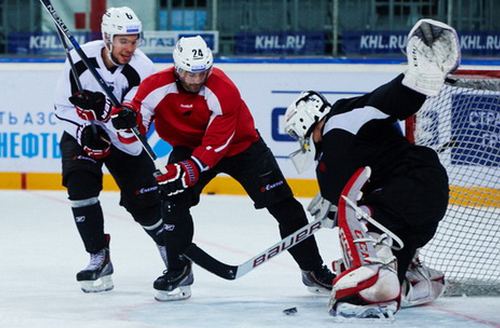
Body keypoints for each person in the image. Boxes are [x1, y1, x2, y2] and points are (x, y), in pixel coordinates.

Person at [111, 35, 335, 301]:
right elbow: (135, 126)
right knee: (172, 200)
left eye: (202, 73)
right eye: (188, 73)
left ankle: (313, 269)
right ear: (176, 67)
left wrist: (188, 170)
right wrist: (127, 119)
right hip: (189, 146)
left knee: (286, 206)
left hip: (242, 147)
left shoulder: (223, 88)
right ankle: (178, 269)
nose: (195, 80)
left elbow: (218, 142)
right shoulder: (155, 86)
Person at [284, 19, 460, 319]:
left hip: (409, 189)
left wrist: (415, 81)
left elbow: (381, 103)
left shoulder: (339, 123)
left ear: (304, 122)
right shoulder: (342, 135)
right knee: (376, 230)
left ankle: (371, 289)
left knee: (353, 217)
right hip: (420, 199)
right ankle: (412, 276)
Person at [53, 7, 166, 293]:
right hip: (83, 131)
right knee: (80, 187)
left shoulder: (143, 68)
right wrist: (84, 130)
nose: (130, 47)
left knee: (144, 203)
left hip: (124, 139)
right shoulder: (79, 60)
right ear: (107, 38)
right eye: (123, 41)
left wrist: (112, 117)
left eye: (134, 40)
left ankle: (170, 251)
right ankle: (98, 257)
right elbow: (61, 107)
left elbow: (134, 117)